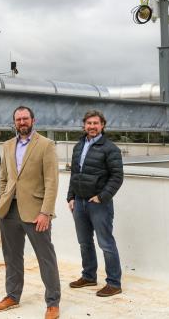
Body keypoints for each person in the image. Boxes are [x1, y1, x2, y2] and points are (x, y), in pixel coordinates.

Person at [0, 106, 61, 319]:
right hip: (9, 210)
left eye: (25, 118)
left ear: (33, 120)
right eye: (18, 119)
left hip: (36, 211)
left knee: (45, 257)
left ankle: (52, 302)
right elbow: (3, 177)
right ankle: (12, 295)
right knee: (11, 256)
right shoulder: (7, 145)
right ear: (14, 122)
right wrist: (2, 198)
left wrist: (46, 212)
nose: (22, 122)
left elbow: (52, 181)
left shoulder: (46, 145)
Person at [67, 110, 124, 297]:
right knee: (84, 242)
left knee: (106, 243)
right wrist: (71, 197)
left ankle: (114, 283)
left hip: (99, 204)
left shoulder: (110, 148)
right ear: (84, 125)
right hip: (80, 202)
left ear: (102, 125)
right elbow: (74, 174)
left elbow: (117, 177)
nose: (92, 126)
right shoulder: (78, 145)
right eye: (89, 123)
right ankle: (89, 276)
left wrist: (102, 197)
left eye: (95, 123)